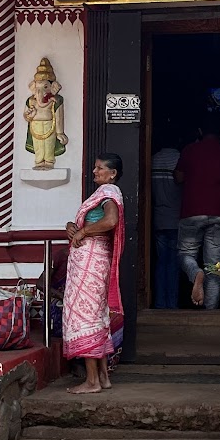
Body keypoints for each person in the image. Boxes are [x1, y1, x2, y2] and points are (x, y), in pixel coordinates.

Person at [62, 153, 126, 394]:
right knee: (96, 316)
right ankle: (102, 376)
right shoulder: (103, 193)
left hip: (91, 262)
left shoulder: (109, 192)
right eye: (95, 167)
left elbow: (110, 220)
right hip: (91, 260)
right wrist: (74, 228)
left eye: (100, 168)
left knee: (84, 316)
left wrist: (83, 232)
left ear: (113, 174)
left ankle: (91, 382)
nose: (95, 171)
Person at [176, 126, 220, 310]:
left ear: (199, 131)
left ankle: (195, 272)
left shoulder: (189, 150)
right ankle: (210, 312)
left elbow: (178, 177)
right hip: (219, 215)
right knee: (215, 267)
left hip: (191, 213)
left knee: (185, 255)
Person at [150, 134, 182, 309]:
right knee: (174, 264)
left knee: (161, 262)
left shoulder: (153, 160)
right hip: (177, 218)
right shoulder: (180, 160)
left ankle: (160, 303)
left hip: (158, 218)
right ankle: (172, 304)